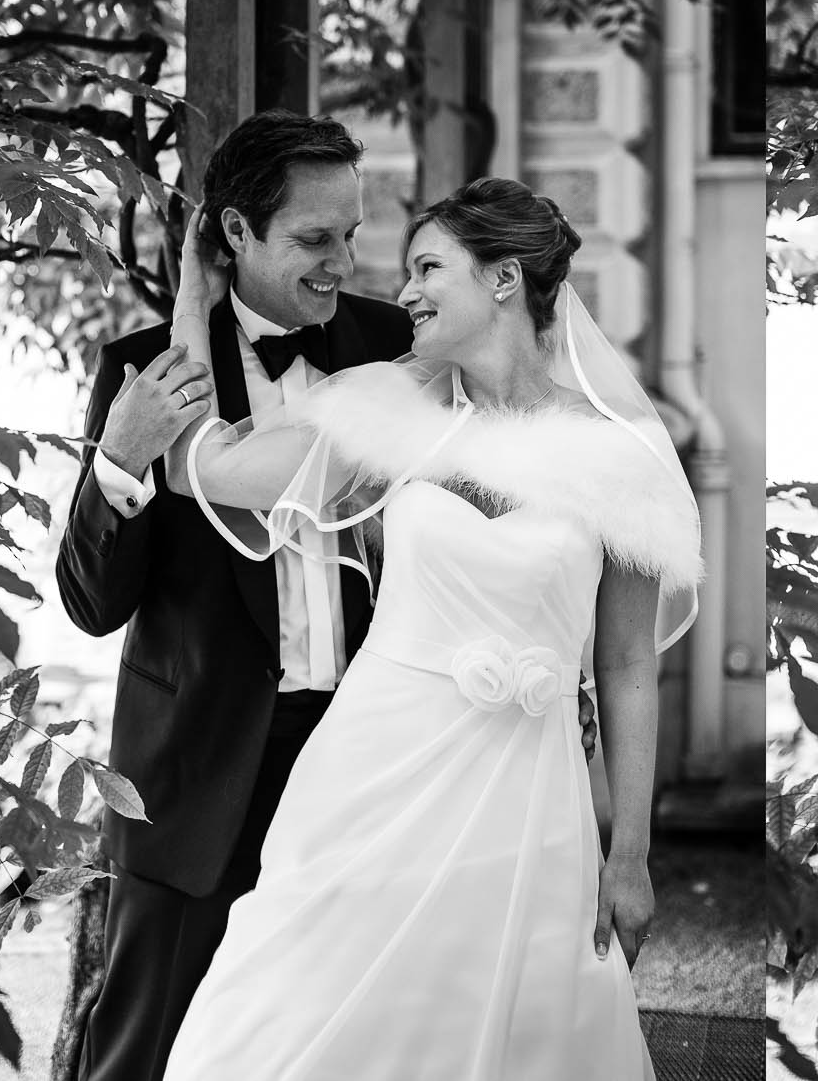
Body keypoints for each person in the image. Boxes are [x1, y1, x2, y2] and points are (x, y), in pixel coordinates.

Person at [156, 176, 701, 1080]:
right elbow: (211, 467)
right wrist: (190, 300)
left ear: (503, 279)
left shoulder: (623, 457)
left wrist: (631, 852)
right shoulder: (387, 410)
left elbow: (628, 663)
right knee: (293, 1017)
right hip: (372, 775)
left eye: (427, 268)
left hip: (531, 795)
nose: (402, 291)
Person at [57, 111, 418, 1081]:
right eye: (314, 238)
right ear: (235, 235)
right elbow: (91, 605)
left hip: (352, 768)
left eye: (351, 233)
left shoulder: (394, 348)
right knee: (146, 1050)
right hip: (193, 777)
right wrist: (121, 465)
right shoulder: (139, 371)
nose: (342, 261)